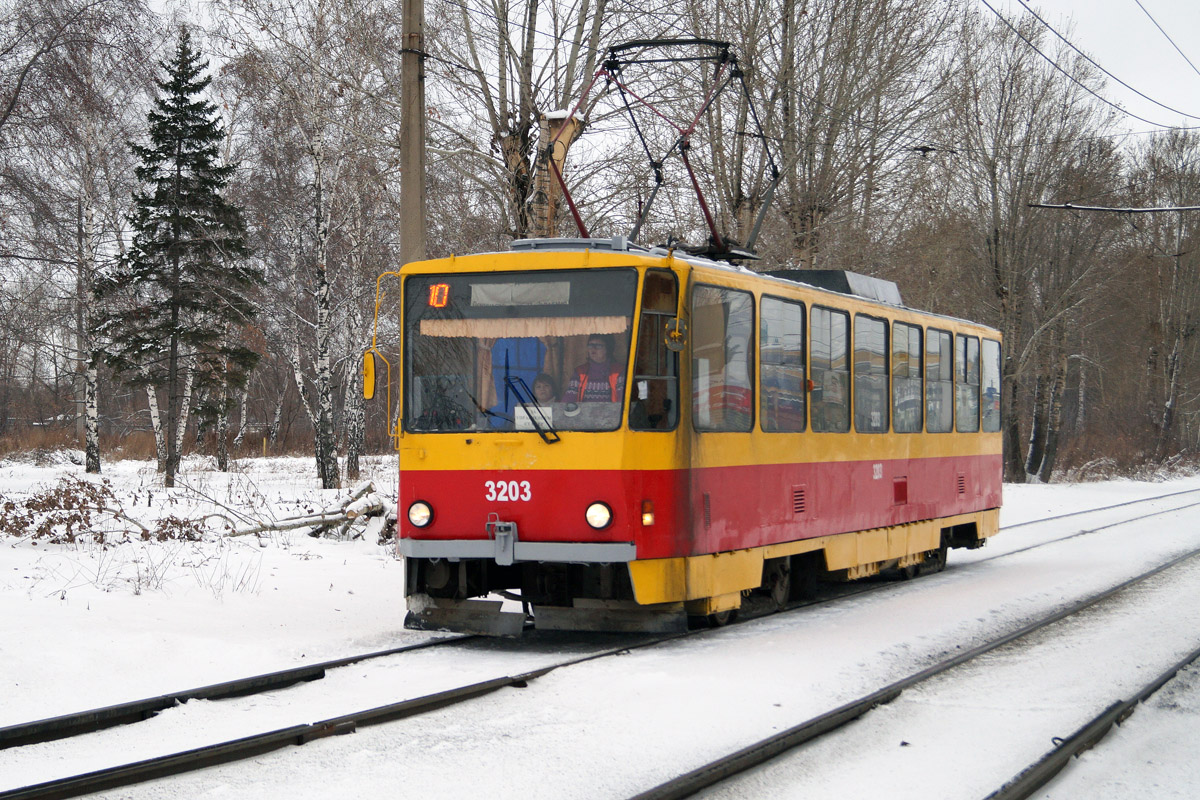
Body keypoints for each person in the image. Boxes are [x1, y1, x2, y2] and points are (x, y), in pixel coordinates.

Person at [565, 334, 625, 402]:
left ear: (607, 348)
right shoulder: (580, 372)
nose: (593, 349)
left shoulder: (618, 371)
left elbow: (622, 400)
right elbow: (569, 398)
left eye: (598, 346)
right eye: (590, 345)